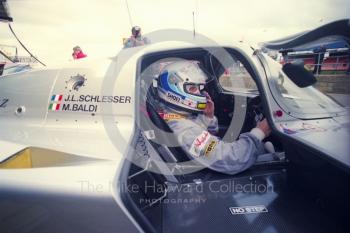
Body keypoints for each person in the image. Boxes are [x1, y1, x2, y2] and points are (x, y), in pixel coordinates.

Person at [155, 60, 272, 175]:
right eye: (192, 88)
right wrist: (259, 132)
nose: (200, 94)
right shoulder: (186, 132)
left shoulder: (175, 114)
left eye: (199, 88)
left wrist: (208, 117)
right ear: (174, 90)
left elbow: (204, 134)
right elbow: (232, 159)